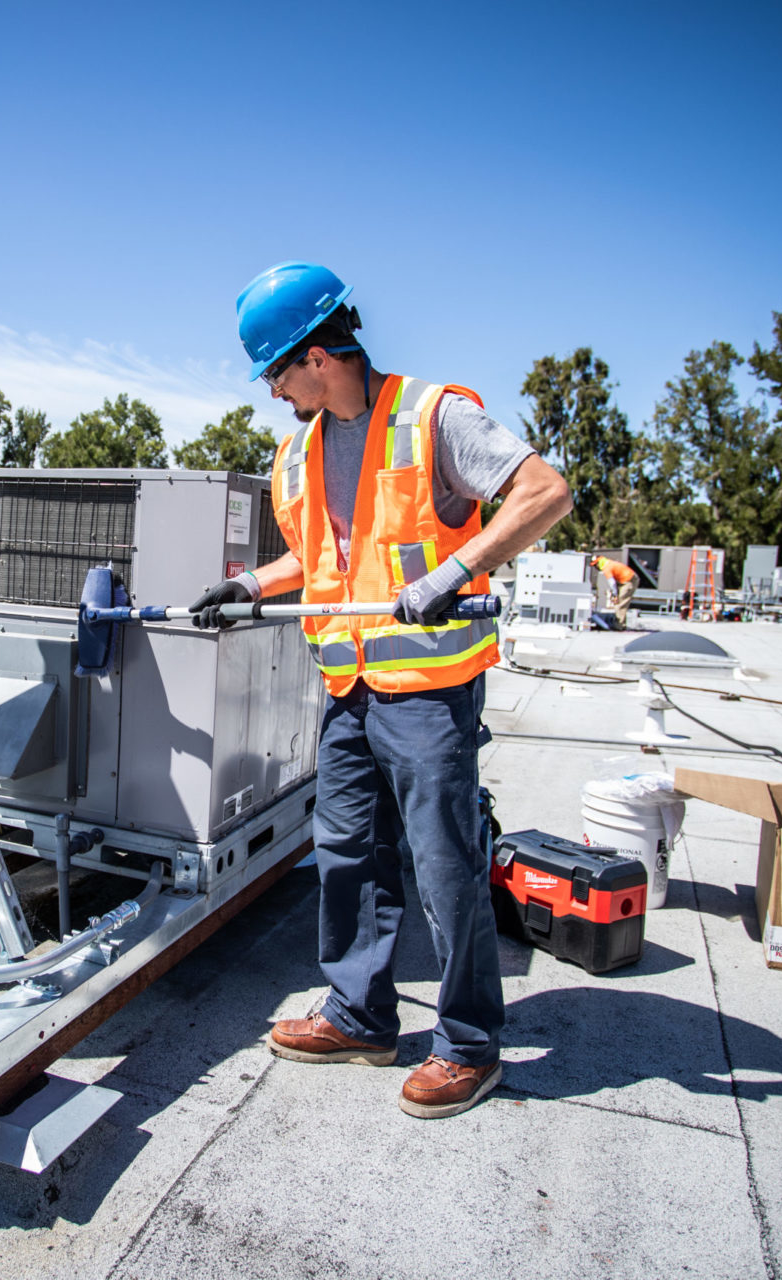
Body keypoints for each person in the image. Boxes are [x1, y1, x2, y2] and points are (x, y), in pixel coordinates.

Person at [191, 262, 572, 1119]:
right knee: (347, 856)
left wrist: (460, 569)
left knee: (445, 864)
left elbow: (546, 493)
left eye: (278, 374)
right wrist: (251, 586)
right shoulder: (298, 452)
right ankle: (361, 1015)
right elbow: (324, 562)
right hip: (349, 689)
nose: (275, 393)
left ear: (316, 356)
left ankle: (469, 1046)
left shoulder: (434, 418)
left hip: (430, 691)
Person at [592, 555, 637, 629]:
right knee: (619, 602)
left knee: (620, 603)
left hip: (629, 581)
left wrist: (614, 594)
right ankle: (621, 624)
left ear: (598, 563)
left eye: (595, 565)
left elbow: (612, 583)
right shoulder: (609, 563)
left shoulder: (607, 568)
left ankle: (618, 626)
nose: (596, 568)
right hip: (625, 580)